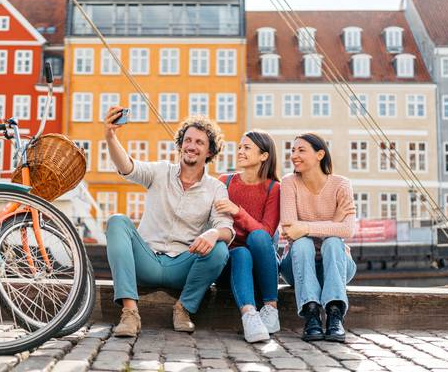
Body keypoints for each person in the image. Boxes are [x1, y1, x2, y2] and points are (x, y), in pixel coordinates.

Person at [103, 108, 234, 337]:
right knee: (116, 221)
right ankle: (130, 313)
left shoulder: (216, 188)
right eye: (188, 140)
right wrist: (110, 136)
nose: (191, 146)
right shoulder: (160, 171)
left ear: (210, 151)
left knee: (220, 249)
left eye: (199, 142)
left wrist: (213, 234)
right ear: (181, 144)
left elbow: (227, 228)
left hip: (182, 266)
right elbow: (127, 167)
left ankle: (183, 308)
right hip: (147, 261)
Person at [279, 133, 357, 343]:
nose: (294, 155)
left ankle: (334, 314)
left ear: (320, 154)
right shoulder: (289, 182)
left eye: (301, 150)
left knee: (332, 243)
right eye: (293, 150)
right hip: (297, 267)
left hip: (336, 266)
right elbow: (289, 229)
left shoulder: (341, 185)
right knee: (304, 244)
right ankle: (311, 314)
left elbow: (348, 230)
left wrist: (304, 227)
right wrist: (334, 222)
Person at [215, 130, 281, 343]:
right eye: (240, 147)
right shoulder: (224, 182)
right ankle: (250, 316)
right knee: (241, 252)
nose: (240, 152)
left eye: (247, 148)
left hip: (262, 268)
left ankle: (270, 310)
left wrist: (237, 211)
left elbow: (267, 234)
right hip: (230, 267)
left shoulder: (274, 188)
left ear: (264, 156)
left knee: (258, 238)